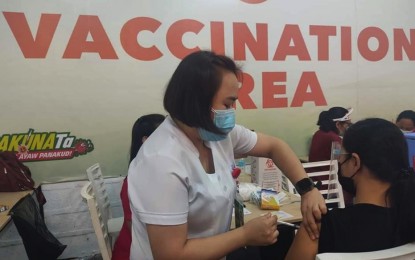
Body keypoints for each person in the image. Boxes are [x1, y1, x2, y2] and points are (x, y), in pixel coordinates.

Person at [127, 50, 326, 259]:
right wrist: (245, 235)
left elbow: (274, 146)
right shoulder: (161, 161)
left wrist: (307, 189)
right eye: (227, 104)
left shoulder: (216, 134)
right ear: (198, 101)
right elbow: (171, 254)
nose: (231, 111)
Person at [286, 118, 415, 260]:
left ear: (355, 162)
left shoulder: (319, 227)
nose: (339, 162)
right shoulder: (407, 217)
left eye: (341, 156)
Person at [111, 114, 165, 260]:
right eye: (166, 135)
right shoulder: (137, 179)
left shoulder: (163, 172)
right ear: (146, 141)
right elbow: (135, 228)